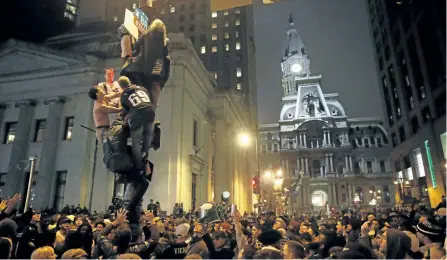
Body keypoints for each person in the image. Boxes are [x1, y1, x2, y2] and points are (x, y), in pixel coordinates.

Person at [118, 76, 155, 171]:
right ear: (129, 82)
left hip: (137, 114)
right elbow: (148, 100)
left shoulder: (124, 95)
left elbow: (126, 111)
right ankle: (144, 152)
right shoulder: (142, 89)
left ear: (121, 86)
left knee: (136, 141)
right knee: (148, 133)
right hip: (150, 110)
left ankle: (138, 165)